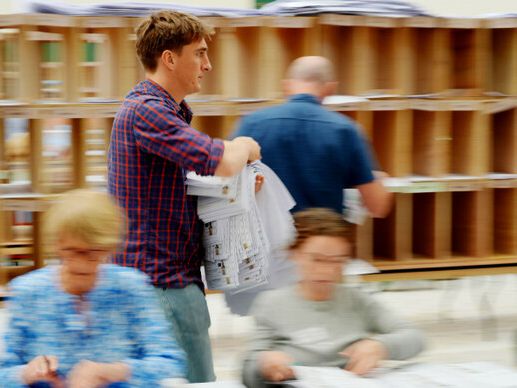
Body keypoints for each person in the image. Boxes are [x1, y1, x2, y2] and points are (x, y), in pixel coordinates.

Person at [107, 10, 261, 383]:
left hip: (162, 283)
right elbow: (222, 160)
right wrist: (243, 145)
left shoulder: (159, 111)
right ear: (169, 58)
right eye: (200, 53)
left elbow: (167, 192)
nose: (208, 65)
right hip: (163, 286)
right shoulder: (148, 111)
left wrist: (232, 191)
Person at [0, 189, 186, 388]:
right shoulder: (28, 292)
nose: (81, 263)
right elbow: (0, 376)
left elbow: (169, 362)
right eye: (71, 252)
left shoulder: (131, 288)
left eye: (94, 253)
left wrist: (111, 371)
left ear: (109, 247)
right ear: (57, 244)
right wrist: (27, 373)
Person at [242, 208, 425, 388]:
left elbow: (415, 336)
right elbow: (248, 370)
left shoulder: (357, 300)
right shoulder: (272, 304)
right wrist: (263, 364)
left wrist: (382, 346)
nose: (327, 270)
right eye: (317, 259)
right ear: (294, 254)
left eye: (338, 260)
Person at [233, 55, 392, 217]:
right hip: (323, 239)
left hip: (266, 239)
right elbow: (377, 206)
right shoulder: (346, 130)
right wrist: (377, 179)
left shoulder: (251, 123)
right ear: (330, 88)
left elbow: (229, 189)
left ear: (286, 85)